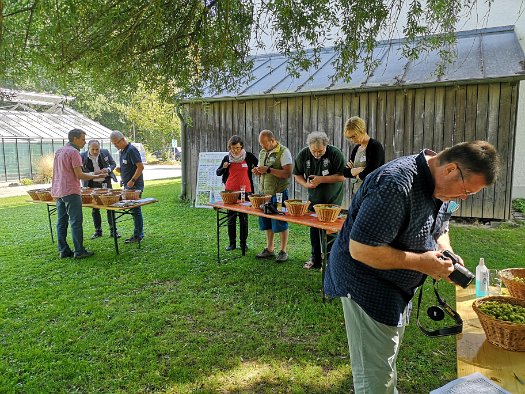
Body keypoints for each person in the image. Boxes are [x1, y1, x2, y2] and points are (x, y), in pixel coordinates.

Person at [324, 141, 500, 394]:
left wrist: (444, 252)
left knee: (385, 357)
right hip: (366, 285)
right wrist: (421, 263)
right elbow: (361, 249)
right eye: (466, 192)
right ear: (451, 169)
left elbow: (441, 227)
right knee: (375, 377)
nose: (463, 198)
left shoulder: (441, 186)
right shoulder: (395, 184)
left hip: (396, 286)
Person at [292, 131, 345, 269]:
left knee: (329, 230)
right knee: (314, 228)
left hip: (332, 198)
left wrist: (321, 179)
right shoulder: (304, 154)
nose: (316, 154)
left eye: (320, 151)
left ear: (326, 146)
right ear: (309, 146)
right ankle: (315, 258)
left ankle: (330, 261)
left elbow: (342, 176)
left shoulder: (335, 153)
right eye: (313, 151)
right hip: (314, 198)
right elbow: (297, 174)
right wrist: (305, 184)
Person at [50, 129, 102, 259]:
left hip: (58, 191)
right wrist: (95, 175)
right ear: (75, 139)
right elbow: (79, 175)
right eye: (83, 139)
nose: (85, 142)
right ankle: (79, 251)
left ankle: (63, 250)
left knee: (61, 221)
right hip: (71, 191)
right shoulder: (74, 152)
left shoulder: (59, 151)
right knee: (75, 221)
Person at [252, 130, 293, 262]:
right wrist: (257, 171)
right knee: (267, 221)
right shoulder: (263, 152)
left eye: (264, 144)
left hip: (279, 193)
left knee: (280, 221)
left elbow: (287, 173)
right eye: (261, 144)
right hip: (265, 193)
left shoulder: (284, 152)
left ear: (272, 140)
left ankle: (283, 251)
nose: (262, 147)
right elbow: (262, 170)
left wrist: (268, 169)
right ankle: (269, 249)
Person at [216, 135, 259, 253]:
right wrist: (224, 168)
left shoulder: (248, 156)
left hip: (246, 192)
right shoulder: (227, 158)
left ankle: (243, 244)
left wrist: (256, 169)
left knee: (244, 218)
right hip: (230, 192)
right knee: (231, 218)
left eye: (238, 148)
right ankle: (232, 243)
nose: (235, 150)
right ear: (229, 147)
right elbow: (218, 173)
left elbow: (259, 166)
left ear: (242, 147)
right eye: (233, 148)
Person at [109, 130, 145, 243]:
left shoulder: (131, 150)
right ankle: (137, 233)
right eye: (113, 144)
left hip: (135, 185)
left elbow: (140, 167)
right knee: (133, 210)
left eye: (116, 143)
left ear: (123, 139)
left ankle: (138, 235)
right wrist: (121, 170)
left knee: (135, 210)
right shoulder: (122, 151)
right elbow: (129, 165)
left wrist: (132, 180)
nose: (115, 146)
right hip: (127, 185)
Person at [81, 139, 120, 239]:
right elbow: (80, 171)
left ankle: (113, 230)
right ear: (88, 148)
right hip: (91, 184)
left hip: (105, 183)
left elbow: (113, 164)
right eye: (93, 149)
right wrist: (93, 174)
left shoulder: (105, 152)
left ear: (100, 148)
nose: (95, 151)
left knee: (110, 206)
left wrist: (108, 169)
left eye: (97, 149)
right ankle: (98, 231)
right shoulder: (82, 156)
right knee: (95, 208)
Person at [342, 116, 385, 196]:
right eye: (349, 138)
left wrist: (356, 173)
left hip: (371, 193)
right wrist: (358, 170)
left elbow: (372, 171)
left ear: (362, 130)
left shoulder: (375, 146)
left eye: (354, 136)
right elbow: (345, 172)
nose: (352, 140)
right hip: (356, 192)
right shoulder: (356, 148)